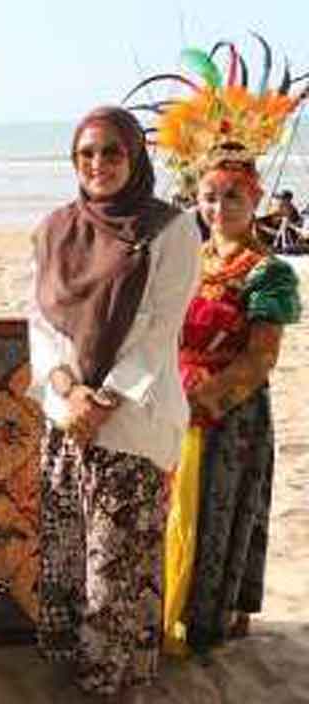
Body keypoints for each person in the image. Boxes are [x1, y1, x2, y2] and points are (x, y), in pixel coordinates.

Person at [129, 42, 306, 656]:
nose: (218, 207)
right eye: (208, 196)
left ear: (255, 199)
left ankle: (215, 614)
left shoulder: (269, 272)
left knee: (224, 509)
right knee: (172, 510)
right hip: (174, 402)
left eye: (232, 196)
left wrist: (211, 397)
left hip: (232, 410)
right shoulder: (188, 259)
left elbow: (261, 358)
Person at [28, 106, 200, 698]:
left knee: (117, 568)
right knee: (71, 554)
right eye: (86, 154)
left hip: (132, 422)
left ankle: (115, 680)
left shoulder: (171, 230)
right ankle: (74, 669)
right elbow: (42, 323)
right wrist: (68, 392)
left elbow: (159, 329)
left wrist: (100, 401)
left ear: (135, 156)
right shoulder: (54, 229)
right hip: (66, 422)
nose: (98, 164)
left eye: (112, 152)